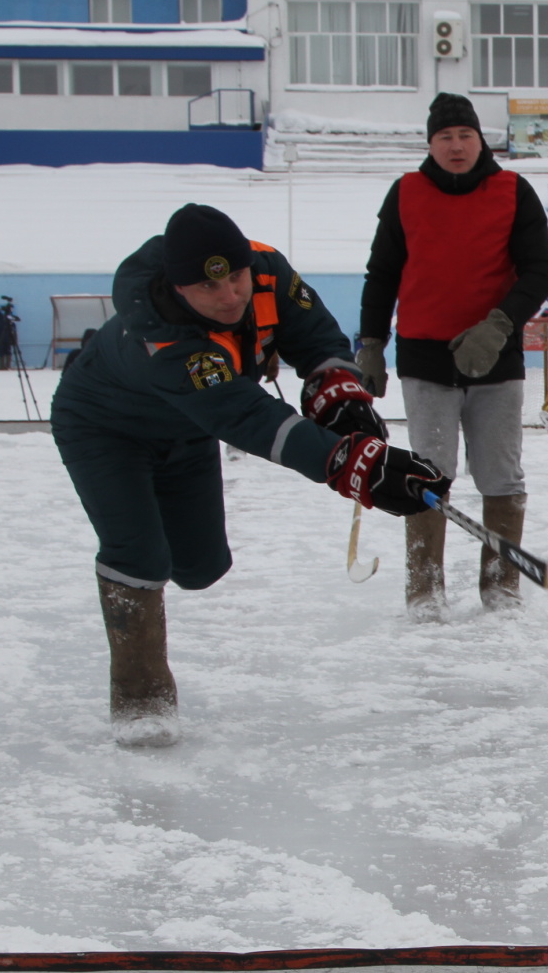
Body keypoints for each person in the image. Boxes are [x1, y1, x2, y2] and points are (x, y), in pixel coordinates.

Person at [52, 203, 447, 747]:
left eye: (236, 277)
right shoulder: (162, 333)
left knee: (199, 567)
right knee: (139, 555)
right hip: (106, 430)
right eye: (209, 289)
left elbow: (313, 335)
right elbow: (249, 417)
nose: (231, 296)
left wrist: (340, 398)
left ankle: (156, 601)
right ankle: (140, 698)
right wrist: (354, 466)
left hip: (188, 429)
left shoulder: (267, 271)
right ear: (179, 287)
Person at [358, 93, 548, 619]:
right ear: (430, 143)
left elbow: (541, 268)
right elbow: (381, 274)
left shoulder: (513, 191)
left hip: (495, 355)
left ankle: (501, 585)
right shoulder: (406, 192)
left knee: (499, 474)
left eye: (464, 135)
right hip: (424, 358)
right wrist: (371, 343)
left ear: (480, 140)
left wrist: (499, 323)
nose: (455, 146)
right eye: (445, 137)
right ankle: (425, 590)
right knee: (428, 473)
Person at [0, 296, 20, 370]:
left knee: (1, 351)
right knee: (8, 350)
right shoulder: (7, 318)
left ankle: (2, 366)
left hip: (0, 337)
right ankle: (8, 365)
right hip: (8, 337)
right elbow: (14, 325)